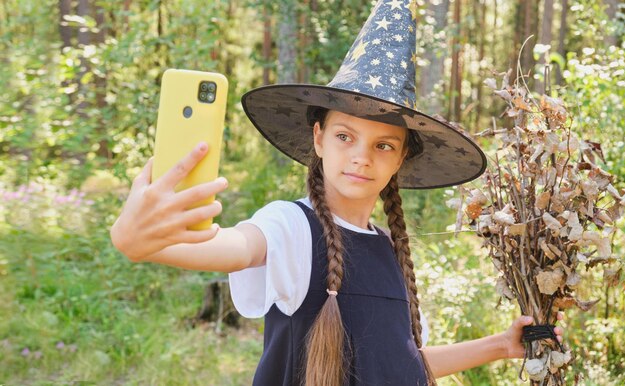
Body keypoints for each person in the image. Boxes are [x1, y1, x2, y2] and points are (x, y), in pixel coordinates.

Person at [110, 1, 565, 385]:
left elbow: (396, 367)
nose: (361, 157)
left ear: (401, 158)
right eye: (345, 136)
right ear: (318, 139)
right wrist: (141, 240)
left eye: (383, 145)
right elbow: (233, 247)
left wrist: (500, 346)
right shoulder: (290, 227)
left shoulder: (387, 247)